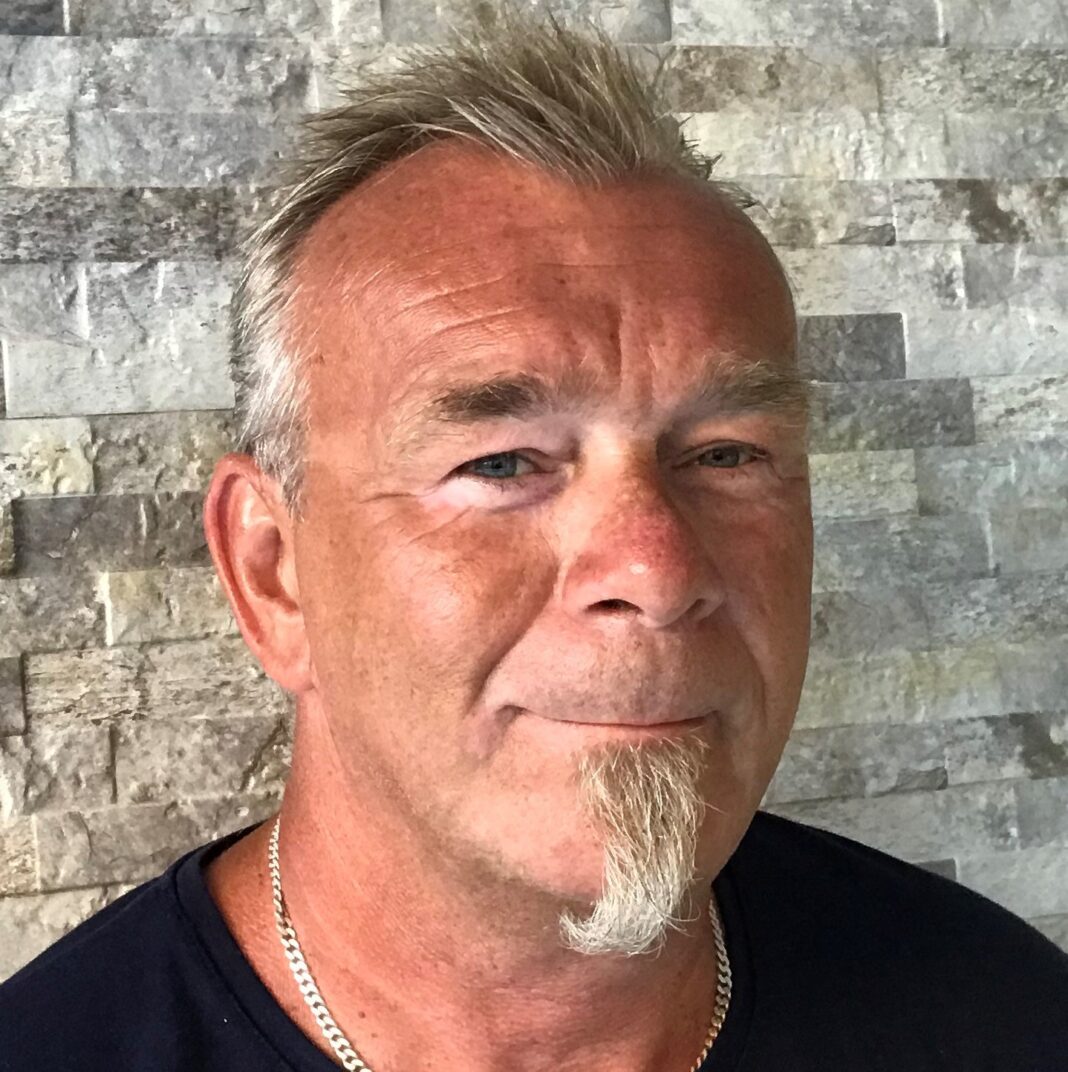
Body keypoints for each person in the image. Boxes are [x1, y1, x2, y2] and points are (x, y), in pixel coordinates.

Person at [1, 12, 1065, 1072]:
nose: (657, 573)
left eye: (727, 454)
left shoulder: (1005, 1015)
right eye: (503, 463)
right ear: (274, 574)